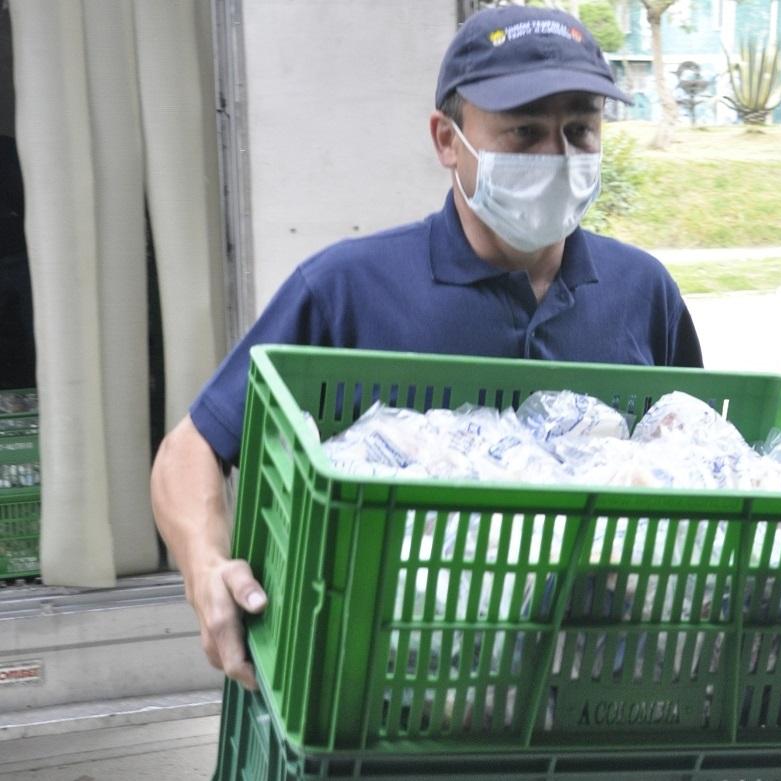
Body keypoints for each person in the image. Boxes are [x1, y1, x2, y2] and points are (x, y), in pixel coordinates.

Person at [151, 5, 703, 691]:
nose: (556, 157)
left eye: (579, 129)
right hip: (398, 689)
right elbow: (190, 449)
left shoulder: (641, 290)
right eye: (524, 132)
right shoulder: (349, 289)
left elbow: (693, 463)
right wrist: (206, 568)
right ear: (447, 139)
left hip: (593, 694)